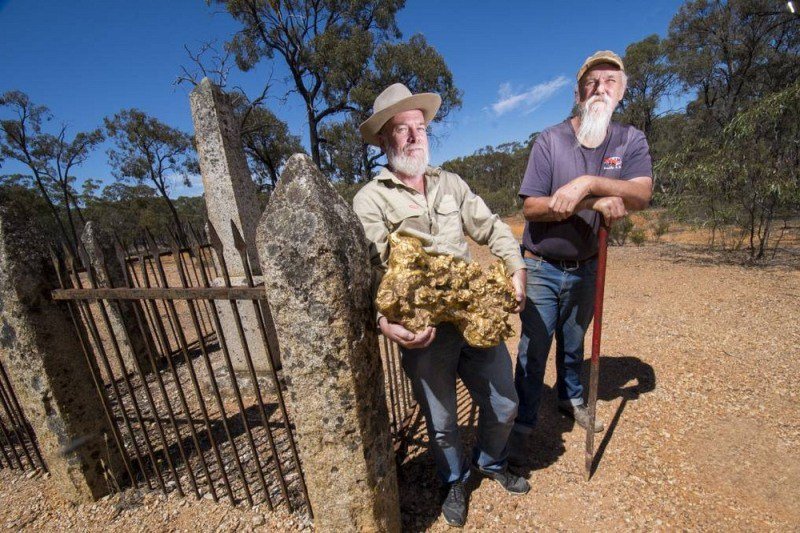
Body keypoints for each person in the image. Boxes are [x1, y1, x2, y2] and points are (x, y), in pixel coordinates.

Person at [353, 83, 530, 527]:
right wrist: (383, 324)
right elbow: (370, 275)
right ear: (383, 140)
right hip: (424, 334)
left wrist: (515, 265)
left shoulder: (451, 183)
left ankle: (492, 462)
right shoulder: (369, 199)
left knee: (505, 403)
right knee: (442, 420)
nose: (415, 136)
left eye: (419, 127)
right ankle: (454, 478)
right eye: (402, 129)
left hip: (474, 316)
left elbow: (490, 226)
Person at [512, 51, 653, 445]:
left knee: (573, 342)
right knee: (533, 346)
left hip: (588, 264)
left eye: (610, 82)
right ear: (578, 93)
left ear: (621, 92)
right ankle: (522, 418)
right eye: (592, 82)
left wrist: (588, 182)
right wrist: (590, 201)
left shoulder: (629, 140)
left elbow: (641, 193)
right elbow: (531, 206)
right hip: (542, 264)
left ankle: (570, 398)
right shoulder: (550, 140)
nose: (600, 89)